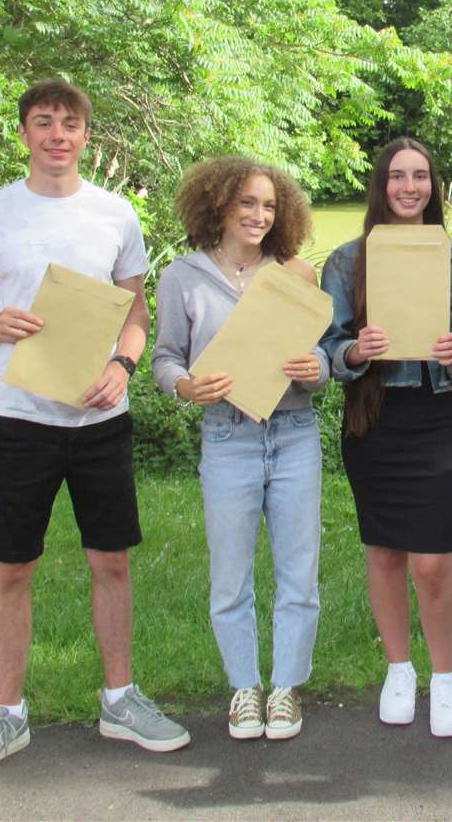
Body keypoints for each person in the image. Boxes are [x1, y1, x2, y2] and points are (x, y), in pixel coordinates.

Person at [0, 79, 189, 786]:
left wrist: (124, 364)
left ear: (87, 136)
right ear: (24, 133)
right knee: (14, 567)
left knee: (111, 561)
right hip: (21, 420)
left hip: (100, 421)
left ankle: (119, 700)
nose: (57, 134)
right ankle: (7, 714)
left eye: (70, 123)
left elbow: (136, 312)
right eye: (44, 122)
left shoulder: (115, 215)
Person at [320, 138, 452, 738]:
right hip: (372, 419)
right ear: (381, 185)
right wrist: (353, 350)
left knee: (432, 561)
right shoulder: (347, 262)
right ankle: (399, 669)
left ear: (433, 185)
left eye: (420, 175)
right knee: (385, 553)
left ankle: (444, 677)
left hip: (433, 416)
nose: (409, 186)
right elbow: (326, 346)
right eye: (397, 176)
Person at [152, 156, 328, 742]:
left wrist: (318, 366)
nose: (258, 215)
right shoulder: (182, 276)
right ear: (218, 205)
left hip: (295, 432)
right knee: (231, 576)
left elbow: (322, 358)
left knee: (298, 571)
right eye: (247, 203)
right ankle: (244, 689)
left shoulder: (296, 274)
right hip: (227, 435)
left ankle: (286, 689)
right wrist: (183, 386)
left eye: (269, 206)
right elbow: (166, 356)